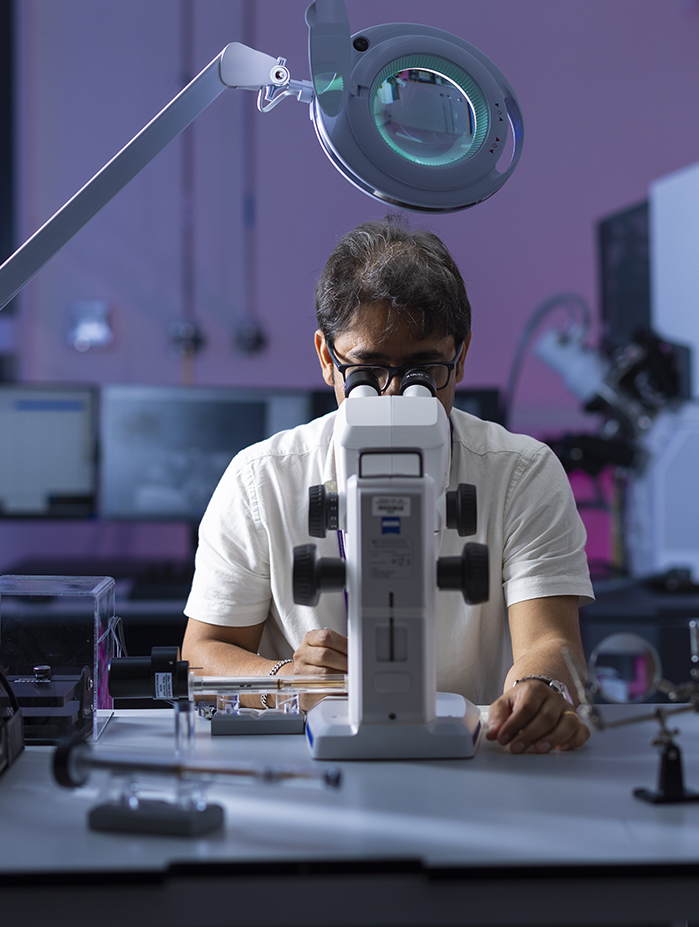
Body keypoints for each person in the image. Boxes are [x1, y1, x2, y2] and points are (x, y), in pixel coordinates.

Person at [182, 218, 593, 753]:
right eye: (368, 369)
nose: (395, 395)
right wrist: (288, 678)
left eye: (423, 370)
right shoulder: (262, 478)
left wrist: (543, 687)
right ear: (327, 358)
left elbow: (551, 640)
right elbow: (202, 653)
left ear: (461, 356)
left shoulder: (521, 472)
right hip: (310, 765)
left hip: (476, 758)